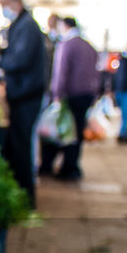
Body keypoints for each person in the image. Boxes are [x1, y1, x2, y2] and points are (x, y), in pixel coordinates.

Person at [0, 0, 47, 206]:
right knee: (17, 146)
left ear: (15, 2)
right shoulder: (21, 25)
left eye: (3, 3)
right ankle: (20, 196)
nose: (2, 8)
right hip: (23, 94)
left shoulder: (27, 26)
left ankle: (26, 200)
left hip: (27, 96)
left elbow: (18, 61)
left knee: (21, 147)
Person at [44, 17, 98, 180]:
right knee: (76, 132)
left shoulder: (67, 45)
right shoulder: (88, 45)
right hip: (86, 95)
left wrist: (57, 95)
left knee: (63, 132)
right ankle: (71, 166)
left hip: (70, 96)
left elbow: (61, 73)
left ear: (64, 26)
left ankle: (62, 167)